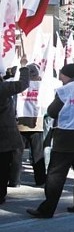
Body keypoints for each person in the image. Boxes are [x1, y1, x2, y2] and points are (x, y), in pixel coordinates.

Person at [27, 64, 74, 218]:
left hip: (67, 134)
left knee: (56, 174)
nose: (60, 79)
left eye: (61, 76)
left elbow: (52, 111)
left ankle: (47, 209)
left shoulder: (66, 90)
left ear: (66, 75)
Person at [1, 60, 30, 204]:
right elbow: (23, 84)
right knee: (3, 165)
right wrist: (24, 68)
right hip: (4, 134)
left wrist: (7, 75)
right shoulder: (3, 88)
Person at [15, 63, 47, 187]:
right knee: (37, 153)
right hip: (36, 122)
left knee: (18, 153)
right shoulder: (42, 86)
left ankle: (15, 180)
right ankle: (40, 179)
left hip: (21, 122)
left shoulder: (19, 86)